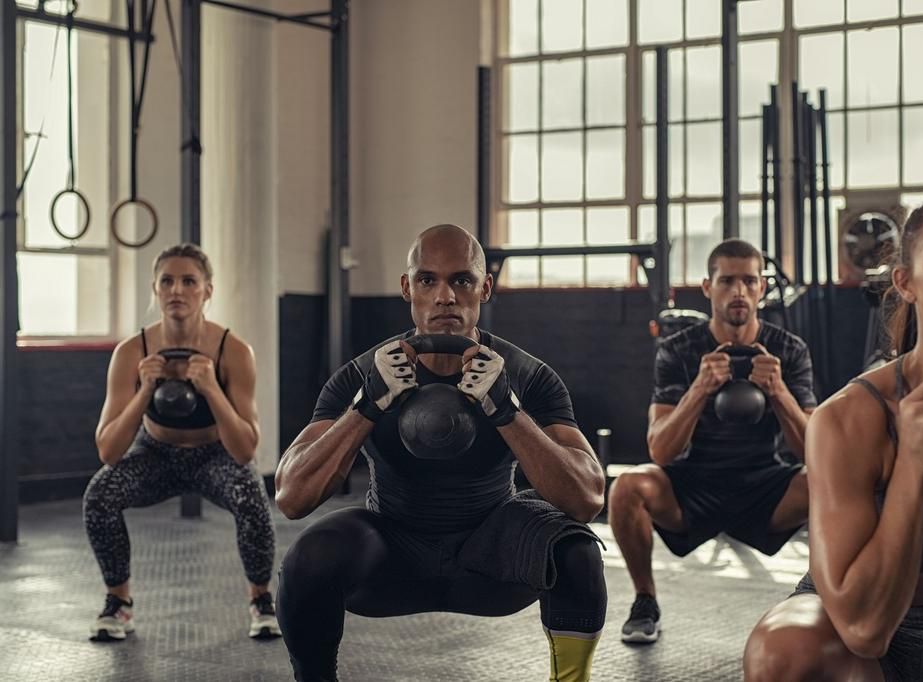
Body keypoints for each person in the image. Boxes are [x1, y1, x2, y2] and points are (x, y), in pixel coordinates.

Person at [274, 224, 608, 682]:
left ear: (485, 287)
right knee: (308, 558)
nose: (445, 296)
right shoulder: (361, 375)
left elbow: (587, 498)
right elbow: (291, 496)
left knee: (577, 552)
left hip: (492, 555)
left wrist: (507, 411)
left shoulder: (528, 376)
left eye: (462, 280)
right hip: (391, 552)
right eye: (427, 280)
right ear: (407, 287)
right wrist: (366, 406)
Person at [743, 193, 923, 681]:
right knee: (783, 652)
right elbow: (864, 629)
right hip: (852, 628)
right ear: (905, 282)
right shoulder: (849, 417)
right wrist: (912, 465)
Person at [608, 238, 816, 643]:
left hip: (764, 484)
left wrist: (779, 392)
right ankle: (645, 600)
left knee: (829, 481)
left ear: (762, 288)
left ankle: (819, 598)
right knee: (627, 487)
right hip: (694, 483)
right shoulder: (678, 350)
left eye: (749, 281)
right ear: (708, 287)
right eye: (727, 281)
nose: (739, 291)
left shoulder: (789, 351)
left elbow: (813, 451)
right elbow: (660, 450)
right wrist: (700, 388)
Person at [84, 244, 279, 641]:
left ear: (207, 291)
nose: (177, 290)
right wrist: (145, 390)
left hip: (215, 455)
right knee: (99, 495)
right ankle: (119, 603)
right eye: (167, 281)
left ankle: (261, 600)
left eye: (189, 281)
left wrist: (211, 389)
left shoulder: (233, 351)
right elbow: (108, 451)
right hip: (155, 453)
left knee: (252, 497)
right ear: (155, 289)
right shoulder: (131, 352)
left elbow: (245, 450)